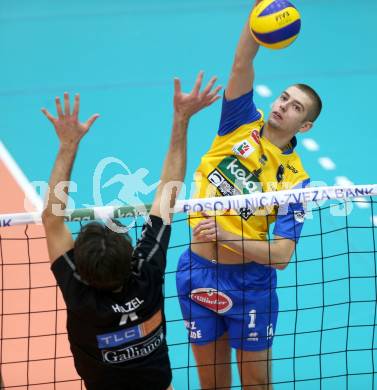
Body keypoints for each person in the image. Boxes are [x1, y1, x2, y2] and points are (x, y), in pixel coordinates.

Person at [41, 72, 222, 390]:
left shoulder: (81, 296)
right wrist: (181, 119)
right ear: (130, 259)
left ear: (82, 271)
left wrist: (68, 145)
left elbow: (51, 220)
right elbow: (169, 191)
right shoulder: (146, 271)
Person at [176, 2, 322, 389]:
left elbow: (281, 256)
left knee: (256, 383)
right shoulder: (239, 121)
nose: (283, 106)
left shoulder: (296, 180)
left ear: (303, 125)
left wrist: (223, 235)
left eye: (295, 107)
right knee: (213, 385)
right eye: (284, 97)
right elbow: (242, 62)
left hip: (250, 284)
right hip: (197, 271)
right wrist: (258, 14)